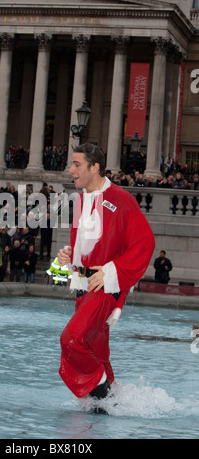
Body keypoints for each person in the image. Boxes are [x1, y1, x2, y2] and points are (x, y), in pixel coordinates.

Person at [57, 142, 155, 413]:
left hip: (104, 286)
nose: (71, 170)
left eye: (76, 165)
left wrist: (111, 273)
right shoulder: (80, 200)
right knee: (95, 350)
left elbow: (145, 243)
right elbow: (87, 247)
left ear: (95, 167)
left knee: (71, 340)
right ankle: (109, 405)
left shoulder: (122, 199)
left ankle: (101, 390)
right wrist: (69, 256)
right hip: (84, 285)